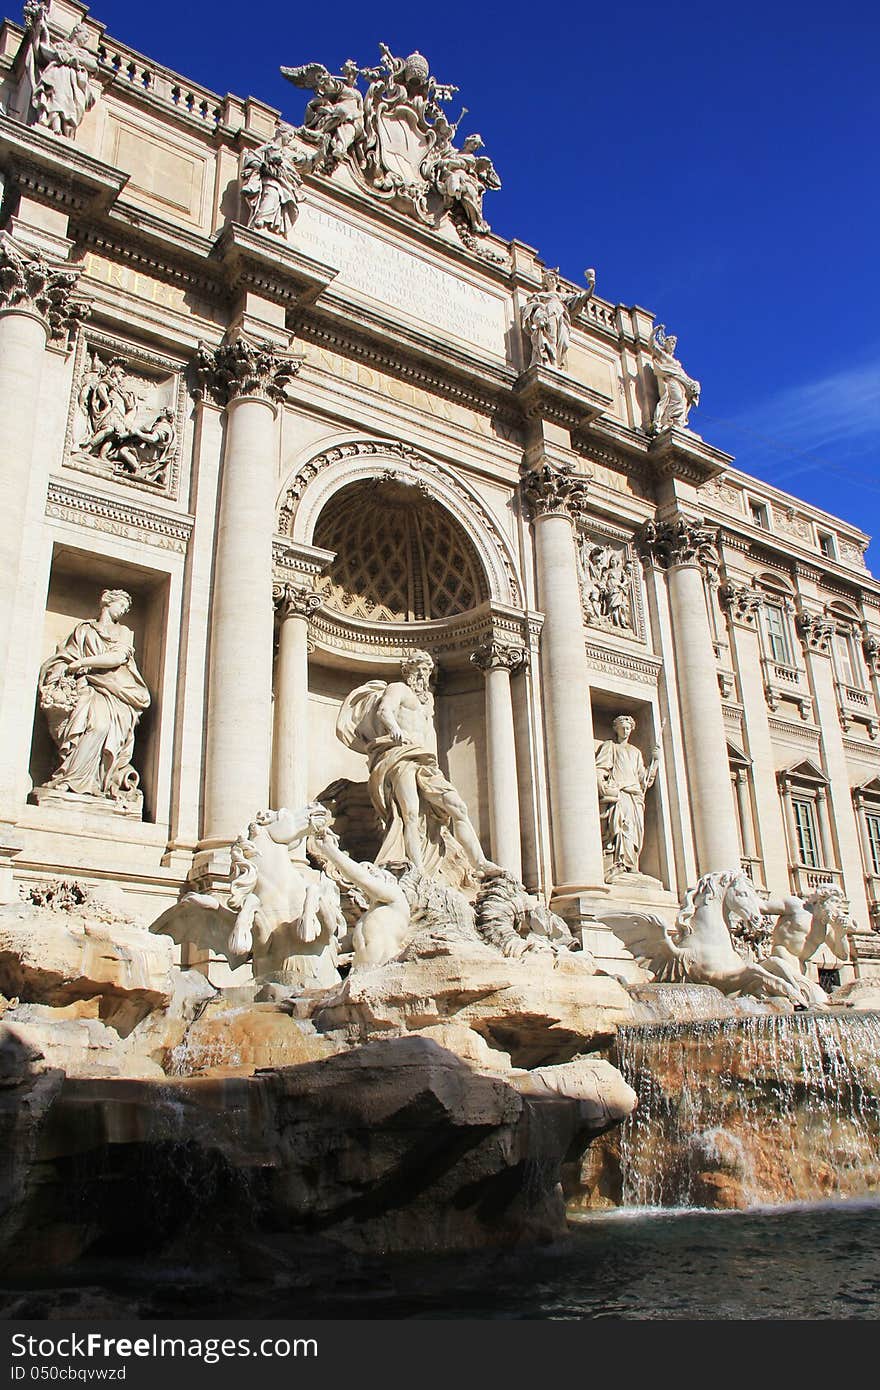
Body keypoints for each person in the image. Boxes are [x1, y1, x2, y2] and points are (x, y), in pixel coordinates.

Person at [336, 649, 501, 879]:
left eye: (426, 670)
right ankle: (418, 871)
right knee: (410, 813)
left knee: (457, 807)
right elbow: (385, 710)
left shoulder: (428, 703)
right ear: (408, 672)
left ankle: (479, 862)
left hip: (424, 761)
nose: (423, 676)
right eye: (418, 670)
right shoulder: (398, 689)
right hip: (399, 755)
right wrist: (394, 729)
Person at [38, 589, 150, 804]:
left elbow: (117, 657)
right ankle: (69, 778)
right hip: (84, 687)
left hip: (115, 690)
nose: (124, 610)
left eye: (127, 608)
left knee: (100, 727)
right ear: (107, 603)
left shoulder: (124, 632)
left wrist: (82, 663)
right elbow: (65, 656)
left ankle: (89, 782)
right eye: (121, 605)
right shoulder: (84, 629)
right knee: (80, 724)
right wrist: (64, 668)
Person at [594, 715, 659, 877]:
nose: (626, 731)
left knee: (635, 830)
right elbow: (601, 767)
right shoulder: (610, 746)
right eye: (622, 727)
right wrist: (603, 786)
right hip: (620, 793)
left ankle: (631, 864)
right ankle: (620, 863)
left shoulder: (635, 752)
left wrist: (656, 762)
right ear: (616, 729)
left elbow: (644, 779)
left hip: (635, 796)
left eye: (628, 728)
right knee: (622, 828)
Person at [27, 10, 99, 138]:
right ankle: (55, 127)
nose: (86, 39)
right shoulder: (62, 46)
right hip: (60, 75)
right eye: (85, 35)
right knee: (57, 99)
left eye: (88, 37)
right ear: (76, 34)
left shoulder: (84, 54)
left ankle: (67, 131)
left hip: (74, 83)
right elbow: (46, 50)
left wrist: (76, 59)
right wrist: (41, 30)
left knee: (71, 106)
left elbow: (93, 65)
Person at [241, 123, 304, 239]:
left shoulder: (287, 154)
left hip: (284, 184)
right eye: (289, 135)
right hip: (270, 180)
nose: (290, 139)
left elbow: (306, 163)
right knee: (271, 193)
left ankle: (274, 226)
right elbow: (251, 158)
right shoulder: (269, 147)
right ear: (281, 132)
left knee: (281, 197)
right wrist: (264, 166)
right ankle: (262, 220)